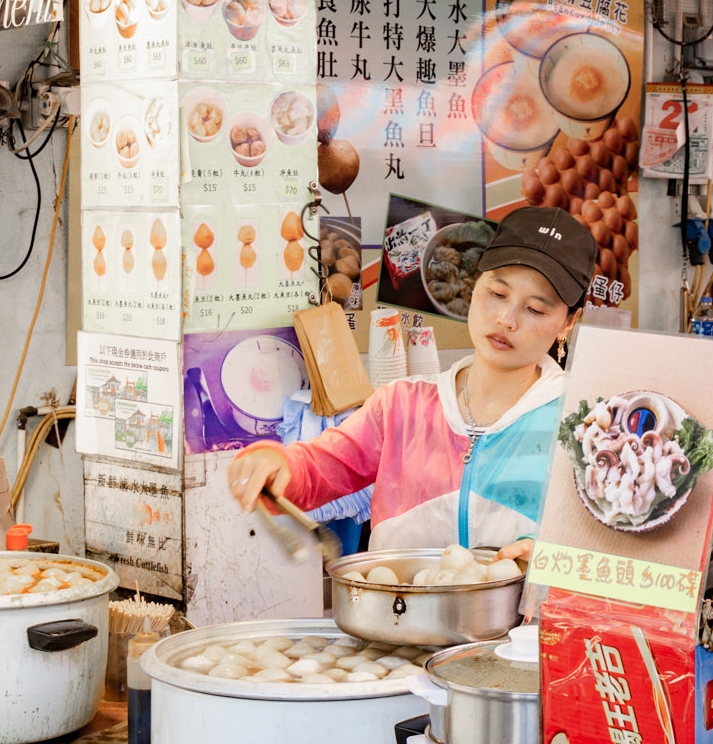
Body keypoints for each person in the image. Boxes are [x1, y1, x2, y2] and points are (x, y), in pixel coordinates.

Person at [229, 206, 598, 558]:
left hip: (521, 623)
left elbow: (611, 545)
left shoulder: (585, 426)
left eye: (535, 309)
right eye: (497, 294)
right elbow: (317, 469)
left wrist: (551, 557)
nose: (506, 319)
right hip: (398, 617)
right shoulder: (402, 405)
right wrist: (275, 463)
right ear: (474, 285)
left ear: (568, 321)